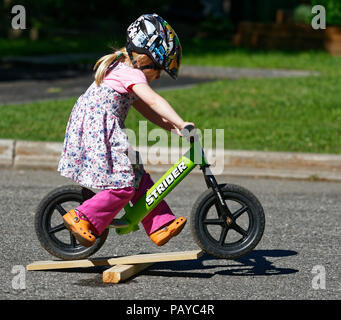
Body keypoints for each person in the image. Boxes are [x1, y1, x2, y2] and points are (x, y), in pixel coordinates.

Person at [58, 14, 194, 248]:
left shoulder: (123, 68)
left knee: (138, 174)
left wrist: (173, 128)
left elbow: (146, 110)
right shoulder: (131, 73)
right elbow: (153, 101)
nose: (158, 75)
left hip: (102, 127)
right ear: (146, 58)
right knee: (124, 186)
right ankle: (81, 216)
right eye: (159, 69)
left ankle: (159, 222)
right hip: (100, 129)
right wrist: (181, 122)